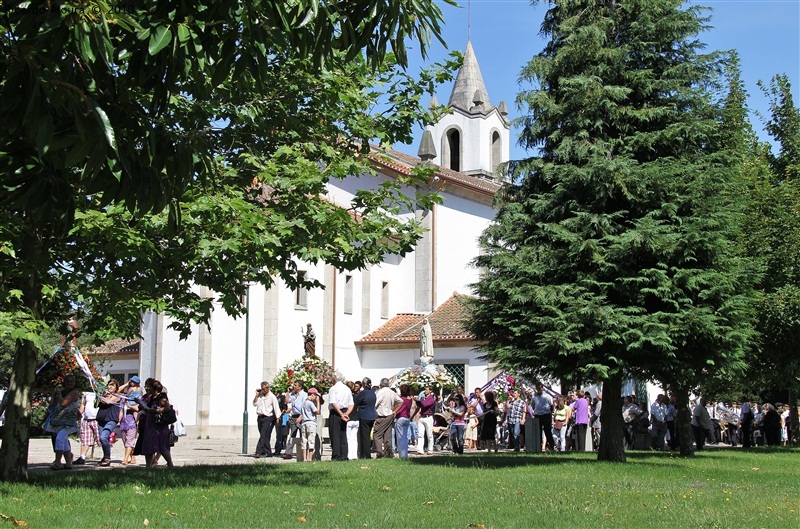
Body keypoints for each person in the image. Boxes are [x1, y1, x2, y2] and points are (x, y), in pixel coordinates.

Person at [43, 374, 81, 470]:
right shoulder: (62, 392)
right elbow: (52, 404)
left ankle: (57, 462)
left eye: (72, 381)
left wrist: (59, 394)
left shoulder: (74, 393)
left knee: (59, 438)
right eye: (68, 381)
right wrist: (55, 393)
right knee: (63, 441)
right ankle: (68, 462)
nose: (70, 383)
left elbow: (64, 403)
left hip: (69, 421)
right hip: (59, 420)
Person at [140, 380, 174, 468]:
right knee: (148, 446)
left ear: (154, 388)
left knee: (162, 446)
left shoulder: (161, 398)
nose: (147, 388)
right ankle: (148, 466)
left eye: (148, 387)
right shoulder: (151, 398)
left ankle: (170, 464)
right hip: (150, 424)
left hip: (159, 425)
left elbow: (167, 408)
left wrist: (155, 411)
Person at [96, 378, 123, 467]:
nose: (110, 386)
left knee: (104, 437)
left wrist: (103, 397)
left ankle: (107, 458)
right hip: (101, 420)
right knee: (103, 439)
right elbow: (96, 404)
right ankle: (105, 457)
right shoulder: (104, 395)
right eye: (109, 385)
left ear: (116, 387)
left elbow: (108, 402)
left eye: (112, 385)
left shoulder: (117, 396)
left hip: (111, 420)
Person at [327, 371, 354, 461]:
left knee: (335, 434)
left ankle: (336, 455)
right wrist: (346, 414)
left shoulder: (333, 389)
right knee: (343, 434)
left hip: (336, 412)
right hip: (344, 411)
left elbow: (334, 403)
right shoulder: (347, 389)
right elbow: (351, 404)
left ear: (334, 378)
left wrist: (341, 414)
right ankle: (344, 454)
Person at [374, 378, 401, 458]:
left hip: (382, 415)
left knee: (377, 435)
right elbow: (400, 401)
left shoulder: (381, 392)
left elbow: (375, 403)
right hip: (390, 415)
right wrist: (395, 410)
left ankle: (379, 452)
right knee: (387, 435)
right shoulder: (392, 392)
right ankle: (388, 453)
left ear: (381, 384)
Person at [253, 381, 280, 458]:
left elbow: (276, 407)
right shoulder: (260, 396)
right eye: (262, 389)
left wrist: (278, 417)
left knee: (263, 435)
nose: (263, 390)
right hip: (260, 417)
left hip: (267, 417)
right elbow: (255, 403)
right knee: (264, 436)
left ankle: (258, 451)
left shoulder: (272, 396)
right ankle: (268, 452)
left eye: (264, 389)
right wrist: (257, 395)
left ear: (268, 388)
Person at [119, 376, 142, 465]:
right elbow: (118, 391)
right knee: (126, 440)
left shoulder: (131, 389)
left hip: (132, 405)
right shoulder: (140, 389)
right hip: (126, 419)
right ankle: (132, 457)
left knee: (129, 440)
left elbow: (127, 395)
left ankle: (125, 459)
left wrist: (126, 396)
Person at [74, 389, 100, 465]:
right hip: (87, 419)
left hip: (97, 419)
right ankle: (82, 457)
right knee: (85, 439)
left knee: (102, 439)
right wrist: (77, 417)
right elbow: (83, 404)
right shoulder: (85, 392)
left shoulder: (100, 391)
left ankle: (106, 457)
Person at [283, 381, 307, 460]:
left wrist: (301, 417)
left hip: (301, 416)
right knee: (292, 434)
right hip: (293, 416)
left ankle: (303, 453)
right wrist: (288, 392)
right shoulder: (292, 394)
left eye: (296, 385)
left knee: (302, 435)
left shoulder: (304, 395)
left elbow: (304, 406)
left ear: (300, 387)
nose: (294, 386)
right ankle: (288, 452)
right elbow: (286, 401)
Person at [355, 377, 377, 459]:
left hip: (364, 415)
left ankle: (365, 454)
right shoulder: (373, 393)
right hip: (372, 415)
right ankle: (366, 452)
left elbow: (357, 402)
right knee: (367, 435)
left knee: (364, 436)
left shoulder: (363, 393)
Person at [532, 383, 554, 452]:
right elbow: (533, 405)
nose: (539, 390)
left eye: (540, 388)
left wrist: (549, 413)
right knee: (538, 432)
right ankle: (538, 447)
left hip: (546, 415)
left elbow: (551, 406)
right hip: (538, 415)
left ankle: (551, 446)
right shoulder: (534, 397)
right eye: (537, 388)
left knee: (547, 431)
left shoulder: (547, 396)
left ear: (542, 388)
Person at [415, 385, 436, 455]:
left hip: (428, 417)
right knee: (420, 434)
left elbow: (424, 405)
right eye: (425, 390)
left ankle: (430, 449)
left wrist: (422, 399)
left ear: (430, 391)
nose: (425, 391)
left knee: (429, 434)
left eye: (427, 390)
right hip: (422, 416)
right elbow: (420, 405)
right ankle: (420, 449)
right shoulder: (423, 398)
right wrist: (416, 401)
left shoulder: (431, 399)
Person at [394, 384, 414, 459]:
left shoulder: (400, 399)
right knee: (405, 437)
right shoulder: (409, 399)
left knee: (400, 438)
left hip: (400, 418)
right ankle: (405, 454)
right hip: (407, 418)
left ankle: (402, 455)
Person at [301, 388, 320, 461]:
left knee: (304, 440)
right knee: (311, 440)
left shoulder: (304, 403)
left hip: (304, 422)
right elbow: (317, 411)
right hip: (311, 423)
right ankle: (310, 458)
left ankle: (304, 458)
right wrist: (318, 402)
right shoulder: (310, 403)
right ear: (312, 395)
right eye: (315, 396)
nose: (315, 398)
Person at [346, 381, 361, 460]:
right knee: (354, 438)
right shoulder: (356, 397)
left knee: (348, 438)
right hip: (356, 418)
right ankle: (355, 455)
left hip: (349, 418)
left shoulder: (347, 397)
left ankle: (349, 455)